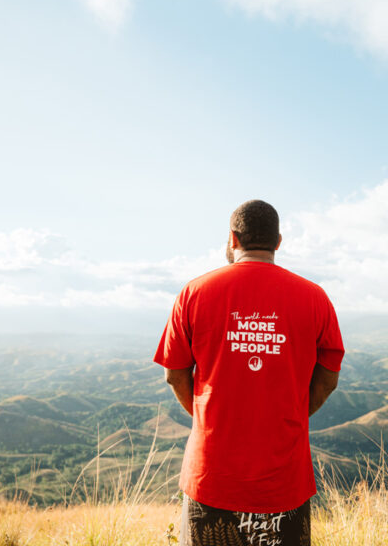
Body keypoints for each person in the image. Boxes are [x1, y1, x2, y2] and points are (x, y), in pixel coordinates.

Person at [154, 199, 344, 546]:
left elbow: (174, 373)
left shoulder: (194, 293)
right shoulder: (315, 298)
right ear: (278, 242)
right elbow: (328, 377)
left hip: (211, 476)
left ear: (232, 239)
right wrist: (292, 417)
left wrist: (207, 418)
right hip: (283, 480)